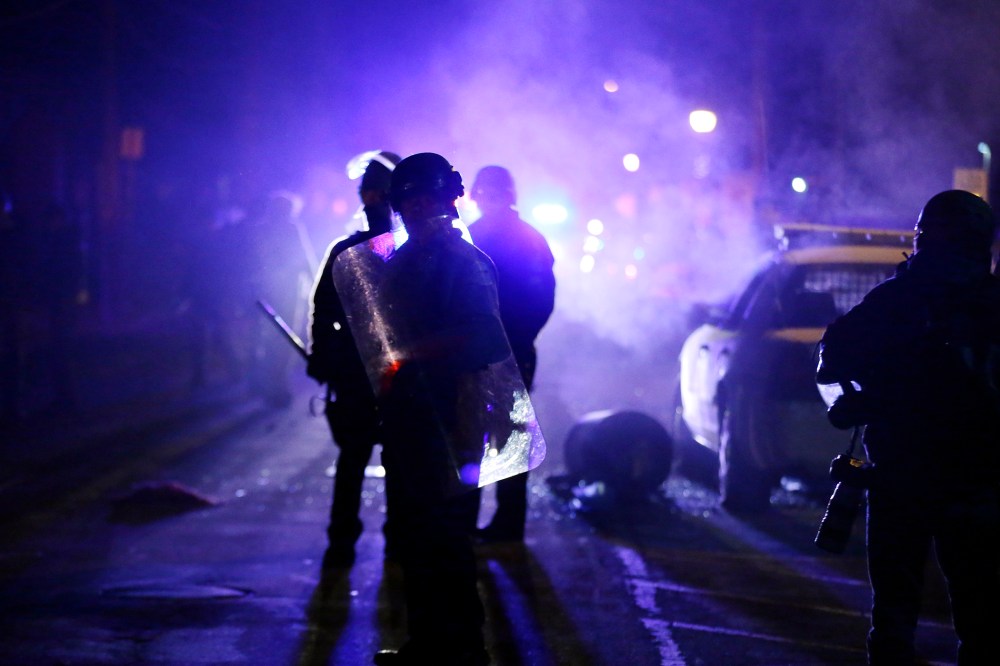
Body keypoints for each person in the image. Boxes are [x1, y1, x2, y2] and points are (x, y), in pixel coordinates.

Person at [816, 189, 1000, 665]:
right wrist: (846, 401)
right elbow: (831, 367)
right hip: (964, 485)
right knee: (977, 618)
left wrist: (847, 403)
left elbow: (830, 365)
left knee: (897, 618)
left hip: (914, 480)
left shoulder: (895, 300)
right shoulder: (902, 301)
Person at [342, 152, 508, 665]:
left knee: (446, 539)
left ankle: (462, 648)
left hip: (452, 415)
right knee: (414, 536)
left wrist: (417, 354)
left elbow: (482, 338)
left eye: (424, 198)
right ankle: (427, 644)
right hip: (410, 416)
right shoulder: (407, 259)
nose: (415, 209)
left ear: (448, 199)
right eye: (407, 200)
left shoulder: (467, 263)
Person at [306, 150, 402, 569]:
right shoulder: (361, 250)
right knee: (368, 461)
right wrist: (324, 357)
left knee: (374, 462)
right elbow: (323, 312)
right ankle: (363, 540)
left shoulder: (409, 251)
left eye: (379, 193)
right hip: (367, 376)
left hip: (394, 377)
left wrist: (324, 357)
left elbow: (322, 313)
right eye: (370, 193)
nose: (374, 201)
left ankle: (356, 540)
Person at [467, 165, 555, 542]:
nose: (488, 199)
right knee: (490, 436)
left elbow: (541, 300)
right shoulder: (519, 237)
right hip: (496, 350)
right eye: (484, 193)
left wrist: (510, 339)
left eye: (492, 193)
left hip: (498, 351)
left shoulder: (477, 237)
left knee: (497, 437)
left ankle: (496, 522)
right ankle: (499, 522)